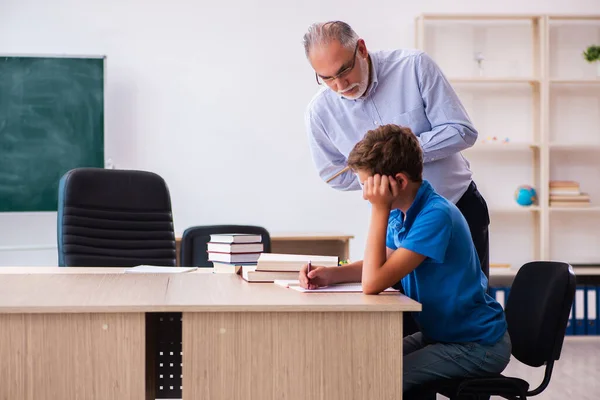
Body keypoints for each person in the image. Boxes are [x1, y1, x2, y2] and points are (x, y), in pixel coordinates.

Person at [299, 124, 510, 397]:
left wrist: (378, 209)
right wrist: (329, 275)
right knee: (363, 365)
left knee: (382, 379)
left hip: (476, 344)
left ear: (397, 182)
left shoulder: (435, 215)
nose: (365, 194)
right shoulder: (404, 211)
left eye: (367, 186)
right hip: (442, 335)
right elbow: (381, 264)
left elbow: (373, 283)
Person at [302, 21, 490, 284]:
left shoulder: (413, 67)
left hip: (456, 205)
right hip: (399, 220)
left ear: (362, 49)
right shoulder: (320, 111)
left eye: (344, 70)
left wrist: (400, 156)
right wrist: (381, 183)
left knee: (463, 304)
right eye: (327, 78)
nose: (340, 84)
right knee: (403, 314)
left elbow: (462, 131)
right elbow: (334, 175)